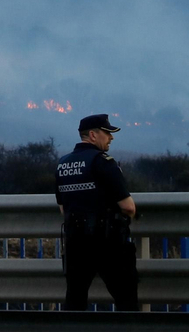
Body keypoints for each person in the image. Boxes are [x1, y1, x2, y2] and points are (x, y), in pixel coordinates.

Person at [56, 113, 139, 311]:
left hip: (75, 241)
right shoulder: (103, 162)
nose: (111, 137)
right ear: (93, 135)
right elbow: (128, 207)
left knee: (75, 299)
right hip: (108, 241)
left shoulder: (63, 164)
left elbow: (63, 208)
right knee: (126, 299)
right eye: (107, 133)